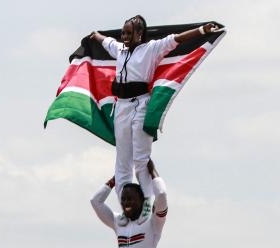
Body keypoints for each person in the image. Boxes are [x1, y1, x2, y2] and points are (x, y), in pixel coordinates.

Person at [90, 17, 219, 197]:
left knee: (140, 160)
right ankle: (126, 205)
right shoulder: (120, 49)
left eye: (128, 33)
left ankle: (148, 202)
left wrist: (202, 30)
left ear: (139, 33)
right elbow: (106, 41)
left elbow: (176, 39)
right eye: (123, 33)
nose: (124, 36)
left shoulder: (151, 49)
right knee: (122, 161)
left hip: (140, 105)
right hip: (121, 107)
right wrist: (95, 35)